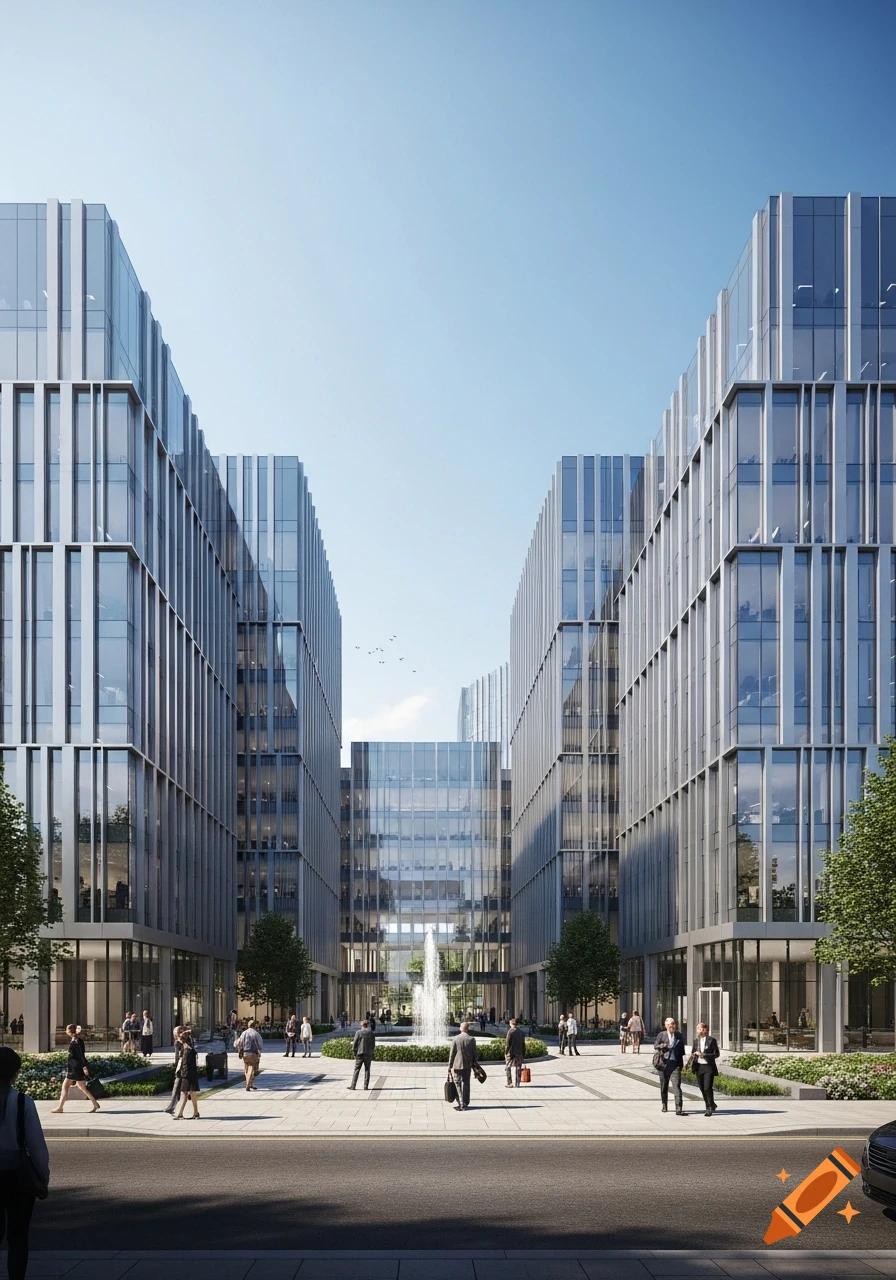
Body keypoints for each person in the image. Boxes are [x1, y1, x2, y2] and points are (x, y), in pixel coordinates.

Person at [0, 1045, 50, 1280]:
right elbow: (37, 1147)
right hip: (17, 1178)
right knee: (18, 1235)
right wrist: (42, 1176)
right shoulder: (22, 1102)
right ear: (15, 1074)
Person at [51, 1024, 98, 1114]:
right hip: (76, 1068)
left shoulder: (75, 1041)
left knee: (65, 1086)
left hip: (75, 1068)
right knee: (82, 1087)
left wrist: (84, 1067)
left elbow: (80, 1056)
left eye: (67, 1030)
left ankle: (60, 1107)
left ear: (70, 1031)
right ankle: (95, 1104)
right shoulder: (78, 1040)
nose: (66, 1031)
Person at [654, 1016, 686, 1115]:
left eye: (673, 1024)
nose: (671, 1026)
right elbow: (655, 1046)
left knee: (676, 1086)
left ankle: (679, 1107)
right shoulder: (661, 1035)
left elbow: (682, 1051)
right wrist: (662, 1046)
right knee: (664, 1086)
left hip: (675, 1063)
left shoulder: (679, 1035)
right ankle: (664, 1104)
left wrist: (683, 1063)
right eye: (669, 1024)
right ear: (666, 1026)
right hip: (663, 1064)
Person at [448, 1021, 480, 1111]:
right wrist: (475, 1065)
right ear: (468, 1028)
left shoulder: (456, 1039)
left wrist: (449, 1066)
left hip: (457, 1065)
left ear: (461, 1028)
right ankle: (465, 1102)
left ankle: (461, 1103)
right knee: (466, 1083)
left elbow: (452, 1054)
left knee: (457, 1083)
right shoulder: (471, 1039)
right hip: (467, 1065)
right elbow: (475, 1054)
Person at [691, 1021, 720, 1117]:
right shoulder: (696, 1041)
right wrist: (692, 1056)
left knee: (707, 1087)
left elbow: (716, 1054)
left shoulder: (712, 1040)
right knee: (702, 1088)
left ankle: (708, 1108)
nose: (700, 1030)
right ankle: (711, 1103)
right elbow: (693, 1052)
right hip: (698, 1066)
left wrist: (705, 1055)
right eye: (699, 1028)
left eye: (702, 1028)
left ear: (706, 1030)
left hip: (708, 1067)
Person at [174, 1029, 201, 1120]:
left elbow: (185, 1065)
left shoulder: (187, 1051)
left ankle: (185, 1113)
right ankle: (190, 1113)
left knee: (188, 1093)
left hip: (187, 1075)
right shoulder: (191, 1050)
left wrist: (182, 1074)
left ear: (183, 1041)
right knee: (189, 1094)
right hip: (191, 1075)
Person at [235, 1019, 263, 1091]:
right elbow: (260, 1045)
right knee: (251, 1067)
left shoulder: (244, 1033)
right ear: (254, 1026)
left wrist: (236, 1044)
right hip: (253, 1053)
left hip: (245, 1053)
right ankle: (248, 1084)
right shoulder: (256, 1034)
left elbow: (238, 1043)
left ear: (248, 1025)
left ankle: (250, 1084)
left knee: (246, 1068)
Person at [348, 1020, 375, 1090]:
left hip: (359, 1054)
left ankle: (353, 1086)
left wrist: (355, 1053)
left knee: (356, 1070)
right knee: (367, 1070)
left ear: (362, 1025)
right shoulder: (371, 1033)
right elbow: (373, 1045)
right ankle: (366, 1086)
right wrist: (371, 1052)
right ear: (367, 1025)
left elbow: (354, 1045)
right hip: (368, 1054)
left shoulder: (358, 1032)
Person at [163, 1026, 184, 1114]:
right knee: (183, 1089)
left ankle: (173, 1107)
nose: (175, 1035)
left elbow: (177, 1056)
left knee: (177, 1087)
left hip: (182, 1067)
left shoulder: (178, 1042)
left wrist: (176, 1066)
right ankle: (173, 1107)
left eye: (175, 1034)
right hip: (186, 1067)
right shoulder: (187, 1040)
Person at [504, 1018, 526, 1089]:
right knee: (518, 1067)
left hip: (511, 1053)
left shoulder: (510, 1032)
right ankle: (517, 1083)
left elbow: (507, 1043)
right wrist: (523, 1052)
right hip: (519, 1052)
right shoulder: (521, 1032)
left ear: (511, 1024)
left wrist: (506, 1052)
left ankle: (509, 1082)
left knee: (508, 1067)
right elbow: (523, 1044)